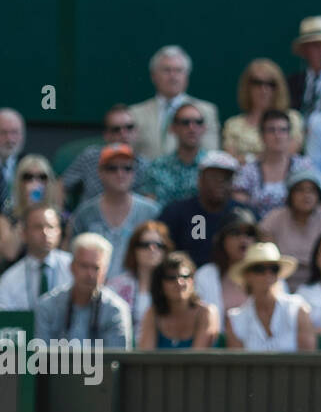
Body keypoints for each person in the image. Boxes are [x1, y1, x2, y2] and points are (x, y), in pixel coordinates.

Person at [69, 146, 160, 280]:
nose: (120, 173)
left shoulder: (151, 212)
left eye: (127, 168)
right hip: (94, 290)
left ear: (134, 173)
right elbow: (74, 256)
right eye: (112, 168)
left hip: (139, 291)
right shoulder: (84, 213)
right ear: (100, 172)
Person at [34, 233, 132, 351]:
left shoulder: (115, 310)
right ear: (72, 267)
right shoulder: (47, 306)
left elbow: (118, 361)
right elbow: (42, 360)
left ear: (105, 271)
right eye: (84, 266)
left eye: (96, 268)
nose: (90, 274)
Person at [126, 45, 220, 162]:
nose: (173, 76)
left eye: (178, 70)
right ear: (153, 76)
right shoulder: (134, 113)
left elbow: (211, 154)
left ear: (187, 76)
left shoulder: (205, 111)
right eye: (167, 70)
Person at [260, 170, 321, 290]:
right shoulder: (273, 220)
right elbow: (267, 260)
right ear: (290, 194)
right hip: (281, 286)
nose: (306, 195)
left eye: (312, 190)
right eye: (300, 190)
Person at [158, 151, 242, 269]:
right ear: (200, 179)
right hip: (185, 280)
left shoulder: (241, 214)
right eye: (214, 177)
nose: (220, 183)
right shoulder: (176, 212)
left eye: (226, 178)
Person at [225, 242, 315, 352]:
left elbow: (308, 361)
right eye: (259, 269)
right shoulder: (235, 320)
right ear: (247, 275)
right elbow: (238, 367)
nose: (268, 274)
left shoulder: (297, 309)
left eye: (274, 269)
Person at [232, 109, 313, 220]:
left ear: (289, 135)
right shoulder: (248, 170)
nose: (277, 135)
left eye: (283, 130)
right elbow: (239, 205)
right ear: (262, 136)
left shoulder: (303, 166)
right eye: (271, 130)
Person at [223, 60, 304, 162]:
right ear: (247, 87)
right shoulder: (233, 125)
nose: (264, 89)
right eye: (257, 83)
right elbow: (230, 162)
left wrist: (248, 158)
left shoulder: (292, 118)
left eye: (271, 84)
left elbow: (287, 154)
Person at [137, 251, 219, 350]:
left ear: (192, 280)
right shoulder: (152, 314)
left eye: (185, 276)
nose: (179, 282)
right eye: (171, 278)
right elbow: (146, 358)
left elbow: (197, 360)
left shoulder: (206, 313)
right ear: (160, 284)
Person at [0, 205, 72, 312]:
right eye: (38, 227)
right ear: (24, 233)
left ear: (59, 232)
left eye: (51, 227)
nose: (45, 233)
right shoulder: (9, 280)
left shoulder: (75, 267)